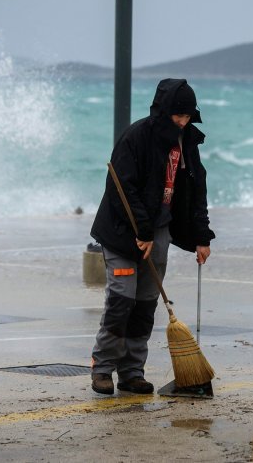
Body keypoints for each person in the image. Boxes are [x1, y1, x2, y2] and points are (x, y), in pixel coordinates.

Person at [89, 78, 216, 395]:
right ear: (163, 111)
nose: (183, 122)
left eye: (188, 117)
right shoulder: (136, 137)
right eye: (178, 116)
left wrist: (202, 237)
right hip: (121, 230)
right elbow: (123, 191)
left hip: (159, 230)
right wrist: (141, 232)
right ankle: (103, 368)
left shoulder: (187, 142)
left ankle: (132, 372)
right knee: (121, 300)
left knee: (145, 304)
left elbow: (195, 190)